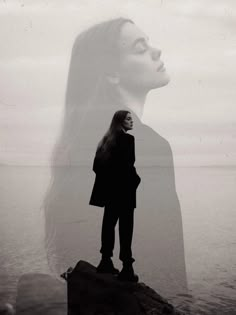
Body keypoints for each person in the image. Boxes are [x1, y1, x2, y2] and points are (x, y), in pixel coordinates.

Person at [43, 17, 188, 305]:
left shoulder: (80, 143)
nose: (156, 51)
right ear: (111, 73)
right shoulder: (150, 145)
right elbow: (170, 269)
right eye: (139, 48)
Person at [89, 110, 141, 282]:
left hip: (111, 192)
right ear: (120, 122)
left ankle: (105, 262)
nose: (132, 121)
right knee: (126, 229)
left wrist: (111, 182)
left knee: (108, 225)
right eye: (128, 119)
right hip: (125, 191)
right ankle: (127, 268)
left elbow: (97, 168)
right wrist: (135, 180)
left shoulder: (105, 140)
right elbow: (128, 164)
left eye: (131, 118)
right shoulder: (128, 139)